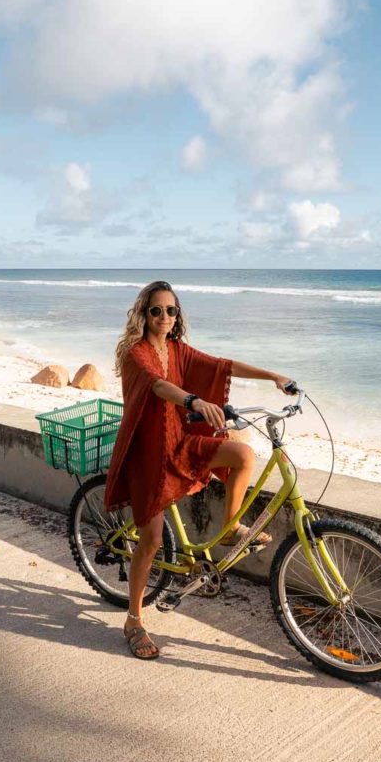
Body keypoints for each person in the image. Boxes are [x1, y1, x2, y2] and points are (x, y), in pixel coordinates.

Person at [102, 279, 295, 660]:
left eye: (170, 310)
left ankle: (229, 529)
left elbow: (221, 365)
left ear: (177, 316)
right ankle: (134, 618)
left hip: (177, 441)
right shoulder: (135, 353)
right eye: (155, 310)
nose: (163, 317)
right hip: (147, 454)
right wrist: (192, 398)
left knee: (242, 454)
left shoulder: (177, 349)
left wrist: (274, 376)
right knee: (152, 539)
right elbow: (157, 386)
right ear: (143, 314)